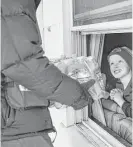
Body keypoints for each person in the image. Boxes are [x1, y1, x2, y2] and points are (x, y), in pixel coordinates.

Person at [1, 0, 95, 147]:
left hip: (15, 124)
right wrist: (78, 95)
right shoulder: (12, 4)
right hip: (15, 129)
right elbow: (25, 64)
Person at [107, 46, 132, 118]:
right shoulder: (119, 84)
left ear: (129, 63)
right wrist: (115, 95)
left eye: (120, 61)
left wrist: (119, 100)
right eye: (112, 63)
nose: (115, 66)